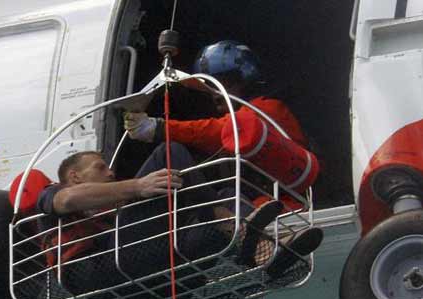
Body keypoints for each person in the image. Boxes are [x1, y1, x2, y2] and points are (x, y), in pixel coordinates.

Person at [123, 40, 323, 276]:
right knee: (227, 197)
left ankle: (269, 241)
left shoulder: (266, 109)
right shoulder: (239, 126)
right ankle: (272, 246)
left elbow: (216, 131)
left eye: (224, 83)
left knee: (223, 194)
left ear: (244, 79)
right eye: (211, 87)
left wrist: (159, 127)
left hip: (285, 205)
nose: (216, 93)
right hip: (263, 207)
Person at [36, 143, 288, 299]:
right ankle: (251, 237)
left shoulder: (111, 214)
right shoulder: (52, 194)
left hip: (156, 282)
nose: (111, 173)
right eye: (100, 168)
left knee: (225, 198)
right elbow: (67, 200)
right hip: (106, 269)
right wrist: (138, 186)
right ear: (75, 176)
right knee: (168, 154)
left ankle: (266, 248)